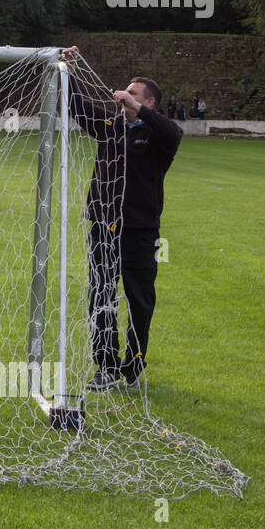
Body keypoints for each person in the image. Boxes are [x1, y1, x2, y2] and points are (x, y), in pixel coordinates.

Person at [61, 46, 182, 390]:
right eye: (125, 91)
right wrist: (66, 68)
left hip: (141, 232)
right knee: (100, 297)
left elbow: (174, 133)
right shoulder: (110, 127)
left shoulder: (158, 136)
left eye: (133, 93)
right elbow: (75, 106)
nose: (124, 95)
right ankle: (106, 366)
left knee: (139, 301)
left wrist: (136, 108)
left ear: (150, 103)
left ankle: (133, 366)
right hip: (102, 226)